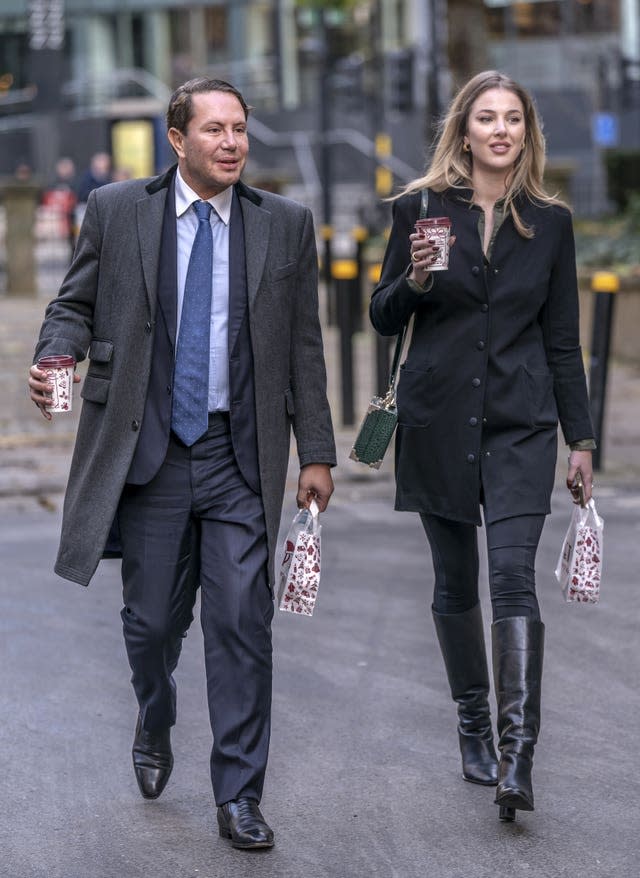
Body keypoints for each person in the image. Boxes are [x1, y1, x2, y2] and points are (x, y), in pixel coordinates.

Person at [28, 77, 336, 850]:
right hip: (151, 456)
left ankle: (238, 796)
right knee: (150, 624)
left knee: (242, 623)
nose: (232, 143)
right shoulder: (116, 210)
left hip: (240, 458)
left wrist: (320, 453)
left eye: (240, 129)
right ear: (177, 139)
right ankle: (155, 709)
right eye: (215, 130)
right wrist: (55, 352)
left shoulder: (285, 227)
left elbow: (304, 348)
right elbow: (73, 302)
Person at [369, 70, 594, 822]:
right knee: (455, 582)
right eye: (486, 118)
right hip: (437, 420)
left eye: (514, 120)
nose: (501, 131)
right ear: (462, 130)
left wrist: (581, 438)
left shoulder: (551, 224)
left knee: (513, 580)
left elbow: (564, 342)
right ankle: (472, 721)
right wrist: (418, 278)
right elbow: (380, 313)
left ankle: (516, 753)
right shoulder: (419, 209)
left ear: (527, 134)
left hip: (523, 426)